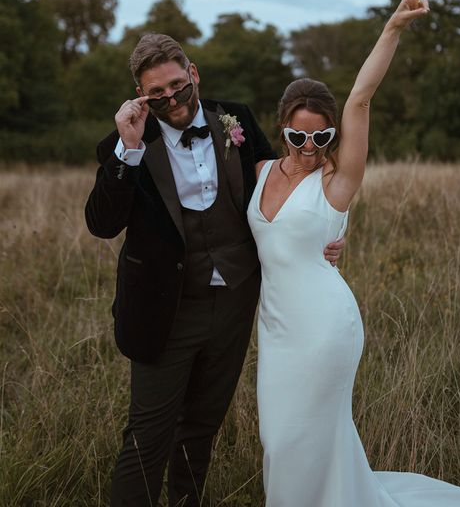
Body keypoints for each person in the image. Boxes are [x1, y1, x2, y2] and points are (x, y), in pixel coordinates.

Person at [247, 0, 460, 506]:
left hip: (324, 329)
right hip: (275, 330)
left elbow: (361, 99)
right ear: (283, 129)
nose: (309, 144)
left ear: (332, 133)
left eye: (321, 134)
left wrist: (393, 28)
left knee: (300, 438)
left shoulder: (339, 182)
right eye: (298, 135)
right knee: (279, 441)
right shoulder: (260, 171)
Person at [84, 33, 345, 506]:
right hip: (165, 310)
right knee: (147, 438)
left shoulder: (237, 119)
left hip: (235, 305)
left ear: (194, 74)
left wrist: (323, 233)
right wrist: (128, 148)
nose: (172, 99)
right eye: (156, 94)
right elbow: (102, 224)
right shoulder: (125, 143)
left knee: (201, 429)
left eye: (178, 86)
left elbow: (286, 181)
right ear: (142, 95)